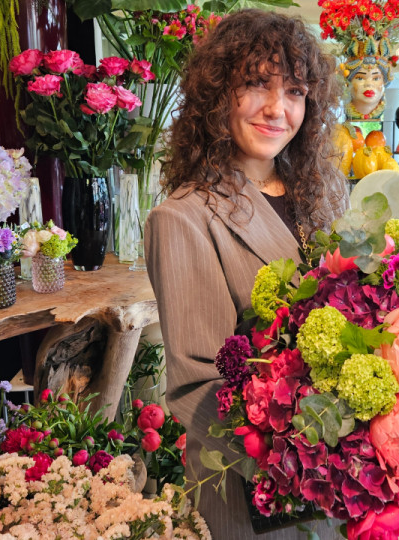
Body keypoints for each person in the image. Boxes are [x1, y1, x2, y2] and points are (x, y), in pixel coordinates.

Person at [145, 10, 348, 540]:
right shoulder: (184, 219)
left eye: (296, 91)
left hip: (342, 478)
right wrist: (304, 460)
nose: (277, 109)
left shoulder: (325, 201)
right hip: (259, 489)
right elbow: (199, 386)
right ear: (217, 95)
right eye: (257, 83)